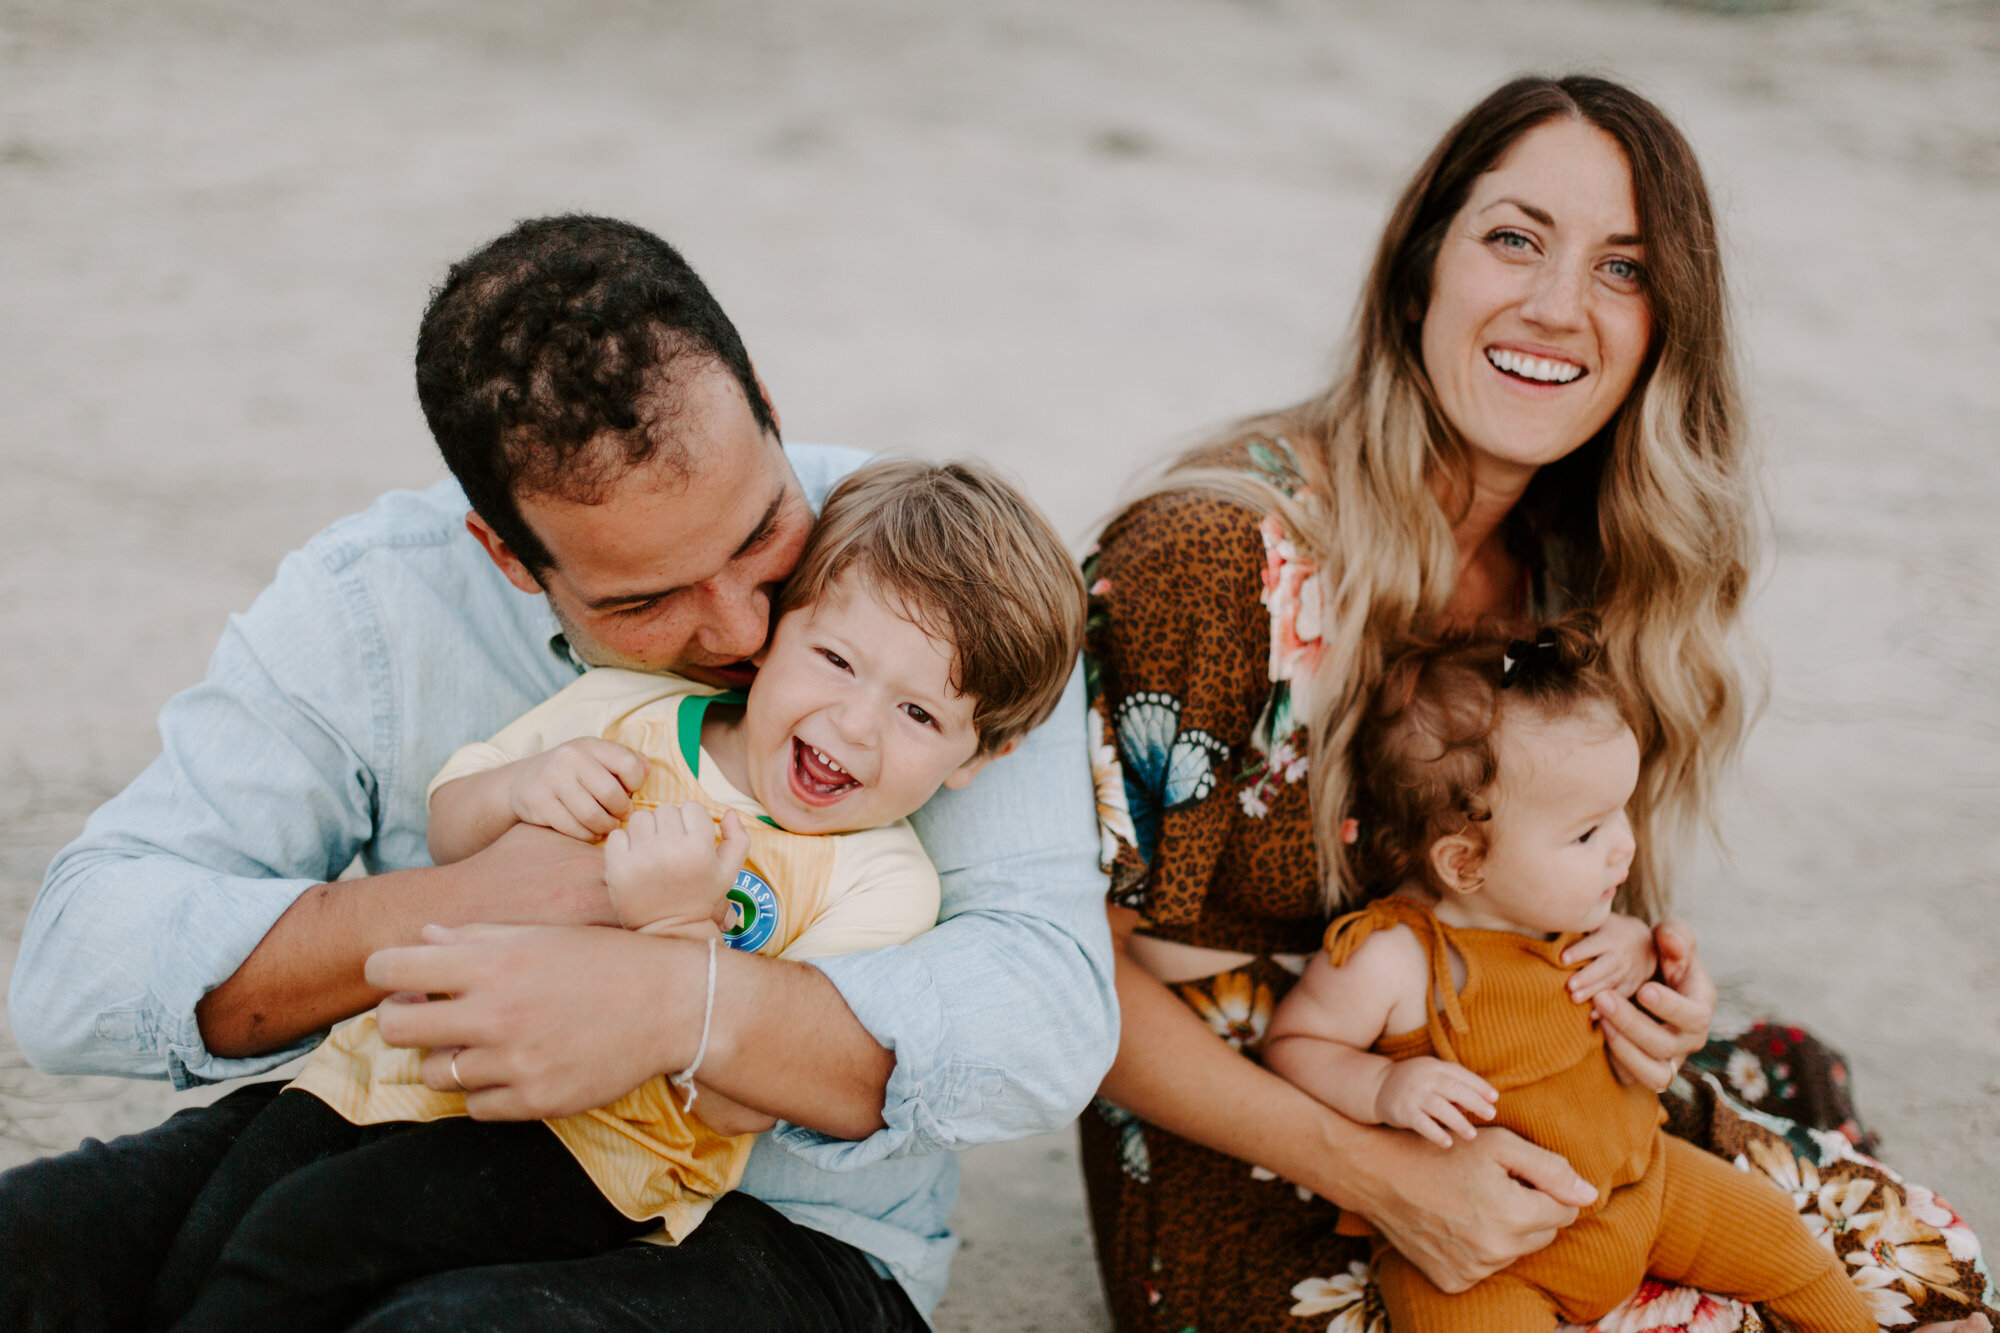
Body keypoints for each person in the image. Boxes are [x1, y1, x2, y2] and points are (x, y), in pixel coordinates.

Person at [2, 216, 1116, 1332]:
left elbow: (1043, 1011)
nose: (738, 629)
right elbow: (78, 968)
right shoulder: (374, 602)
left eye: (760, 539)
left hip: (788, 1235)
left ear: (765, 405)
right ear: (504, 551)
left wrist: (679, 999)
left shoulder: (930, 586)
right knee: (42, 1246)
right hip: (387, 1113)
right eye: (643, 601)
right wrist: (482, 900)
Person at [1081, 74, 1996, 1331]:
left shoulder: (1594, 567)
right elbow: (1060, 968)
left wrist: (1642, 1009)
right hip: (1262, 1123)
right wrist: (1384, 1173)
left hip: (1548, 1114)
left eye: (1623, 268)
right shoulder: (1210, 561)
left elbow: (1561, 894)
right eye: (1513, 238)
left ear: (1665, 324)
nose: (1557, 307)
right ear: (1420, 272)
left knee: (1913, 1282)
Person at [137, 456, 1088, 1331]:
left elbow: (740, 1107)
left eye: (919, 712)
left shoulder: (878, 885)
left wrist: (677, 928)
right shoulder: (632, 712)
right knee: (232, 1217)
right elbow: (452, 826)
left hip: (586, 1150)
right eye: (835, 660)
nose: (855, 723)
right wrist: (517, 791)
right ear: (773, 629)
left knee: (312, 1238)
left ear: (982, 755)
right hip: (385, 1075)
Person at [1265, 621, 1878, 1332]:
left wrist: (1642, 950)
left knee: (1777, 1231)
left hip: (1644, 1186)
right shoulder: (1393, 955)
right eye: (1587, 832)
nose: (1625, 845)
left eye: (1621, 809)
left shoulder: (1577, 917)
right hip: (1487, 1253)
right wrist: (1381, 1085)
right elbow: (1294, 1044)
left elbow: (1629, 985)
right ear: (1465, 863)